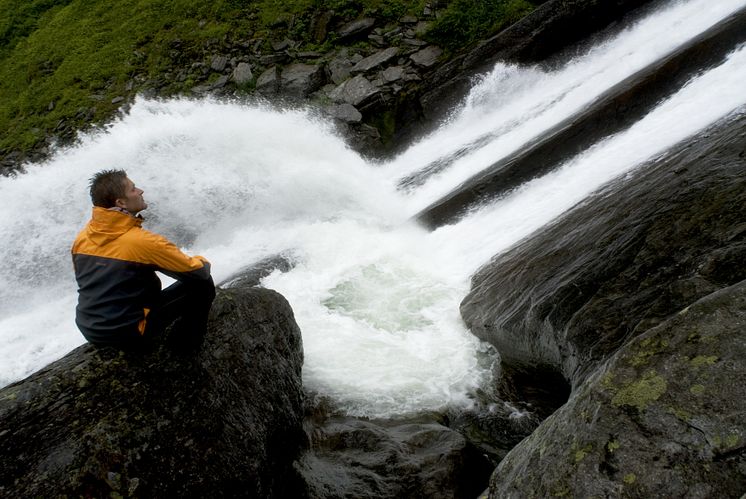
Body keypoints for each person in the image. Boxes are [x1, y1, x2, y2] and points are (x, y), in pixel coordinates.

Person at [71, 169, 215, 351]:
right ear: (121, 202)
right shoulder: (141, 242)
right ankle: (185, 351)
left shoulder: (82, 238)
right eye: (133, 189)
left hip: (90, 328)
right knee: (203, 285)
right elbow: (198, 272)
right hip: (126, 332)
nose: (140, 191)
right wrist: (202, 260)